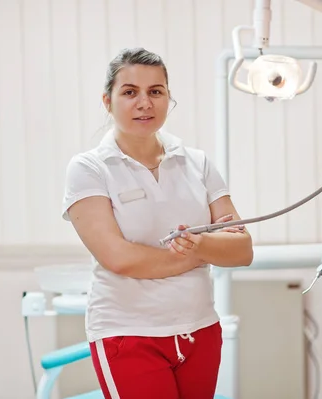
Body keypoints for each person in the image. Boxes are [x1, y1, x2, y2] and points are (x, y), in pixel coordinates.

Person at [61, 47, 254, 399]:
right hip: (128, 334)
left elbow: (242, 248)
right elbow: (119, 258)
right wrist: (205, 250)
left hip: (200, 330)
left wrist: (204, 246)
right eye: (130, 92)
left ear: (168, 98)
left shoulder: (196, 163)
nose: (144, 103)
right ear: (108, 101)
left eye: (156, 91)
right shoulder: (90, 168)